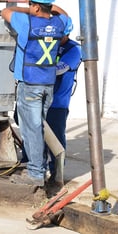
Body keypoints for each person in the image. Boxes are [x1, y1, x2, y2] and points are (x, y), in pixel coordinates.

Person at [1, 0, 69, 187]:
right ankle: (40, 167)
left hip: (29, 84)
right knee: (37, 127)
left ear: (36, 7)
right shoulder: (60, 23)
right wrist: (41, 6)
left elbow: (6, 11)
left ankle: (36, 173)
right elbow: (61, 12)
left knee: (32, 129)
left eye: (32, 4)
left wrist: (24, 6)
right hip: (48, 84)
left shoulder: (25, 22)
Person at [46, 17, 82, 183]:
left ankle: (57, 174)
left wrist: (36, 69)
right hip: (40, 99)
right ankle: (29, 166)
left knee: (56, 138)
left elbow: (60, 69)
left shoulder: (74, 49)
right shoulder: (47, 44)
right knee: (32, 136)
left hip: (57, 102)